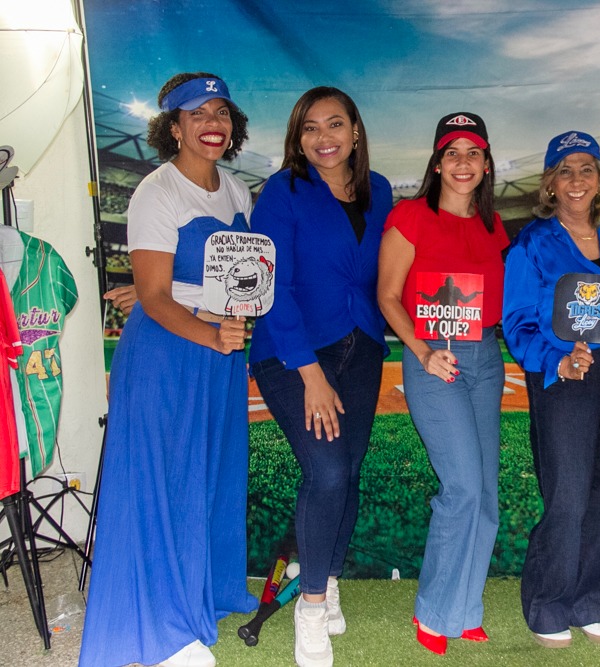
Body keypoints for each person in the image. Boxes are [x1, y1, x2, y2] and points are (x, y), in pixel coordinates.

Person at [80, 72, 257, 667]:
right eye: (196, 113)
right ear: (174, 127)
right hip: (170, 352)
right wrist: (210, 330)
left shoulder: (238, 192)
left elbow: (236, 280)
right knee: (165, 483)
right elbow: (155, 299)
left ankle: (203, 593)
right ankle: (165, 631)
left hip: (220, 352)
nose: (212, 123)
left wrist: (224, 325)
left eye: (221, 112)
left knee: (210, 477)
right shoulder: (156, 191)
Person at [248, 86, 392, 667]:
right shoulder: (282, 191)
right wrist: (310, 372)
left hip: (364, 346)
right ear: (297, 138)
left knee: (348, 472)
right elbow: (270, 285)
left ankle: (328, 580)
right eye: (310, 127)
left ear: (355, 131)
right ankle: (309, 608)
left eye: (335, 124)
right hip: (294, 352)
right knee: (328, 470)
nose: (324, 137)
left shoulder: (379, 189)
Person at [376, 112, 508, 655]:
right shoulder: (410, 216)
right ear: (436, 163)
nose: (462, 162)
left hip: (486, 357)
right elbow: (388, 296)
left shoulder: (493, 225)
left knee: (487, 492)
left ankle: (464, 609)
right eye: (452, 152)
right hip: (433, 357)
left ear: (486, 164)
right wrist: (424, 351)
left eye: (473, 152)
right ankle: (433, 610)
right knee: (462, 487)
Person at [503, 131, 600, 648]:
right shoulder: (532, 243)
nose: (577, 179)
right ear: (550, 184)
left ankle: (596, 600)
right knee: (568, 492)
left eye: (587, 168)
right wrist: (557, 360)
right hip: (563, 370)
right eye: (565, 170)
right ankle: (549, 603)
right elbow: (516, 322)